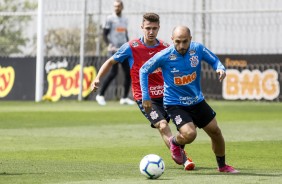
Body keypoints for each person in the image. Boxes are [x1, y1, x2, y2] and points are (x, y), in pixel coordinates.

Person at [91, 13, 195, 170]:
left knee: (185, 130)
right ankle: (185, 159)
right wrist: (97, 78)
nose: (151, 32)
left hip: (168, 96)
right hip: (146, 98)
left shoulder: (166, 48)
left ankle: (177, 149)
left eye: (154, 28)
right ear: (142, 28)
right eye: (148, 28)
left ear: (159, 28)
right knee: (162, 125)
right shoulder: (131, 47)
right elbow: (110, 61)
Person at [140, 25, 239, 173]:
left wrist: (220, 68)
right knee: (190, 134)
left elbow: (215, 61)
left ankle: (222, 166)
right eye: (178, 41)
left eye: (185, 41)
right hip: (175, 103)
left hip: (197, 101)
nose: (181, 46)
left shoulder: (197, 49)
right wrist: (146, 96)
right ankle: (174, 142)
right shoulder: (164, 55)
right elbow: (143, 70)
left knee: (215, 132)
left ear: (190, 39)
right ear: (172, 39)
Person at [95, 0, 135, 106]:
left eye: (118, 6)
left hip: (124, 50)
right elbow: (104, 34)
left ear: (122, 7)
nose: (116, 8)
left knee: (128, 73)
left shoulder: (125, 19)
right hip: (114, 50)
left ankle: (124, 98)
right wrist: (109, 44)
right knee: (113, 72)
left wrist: (128, 45)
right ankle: (100, 95)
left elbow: (125, 34)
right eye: (115, 6)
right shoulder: (109, 19)